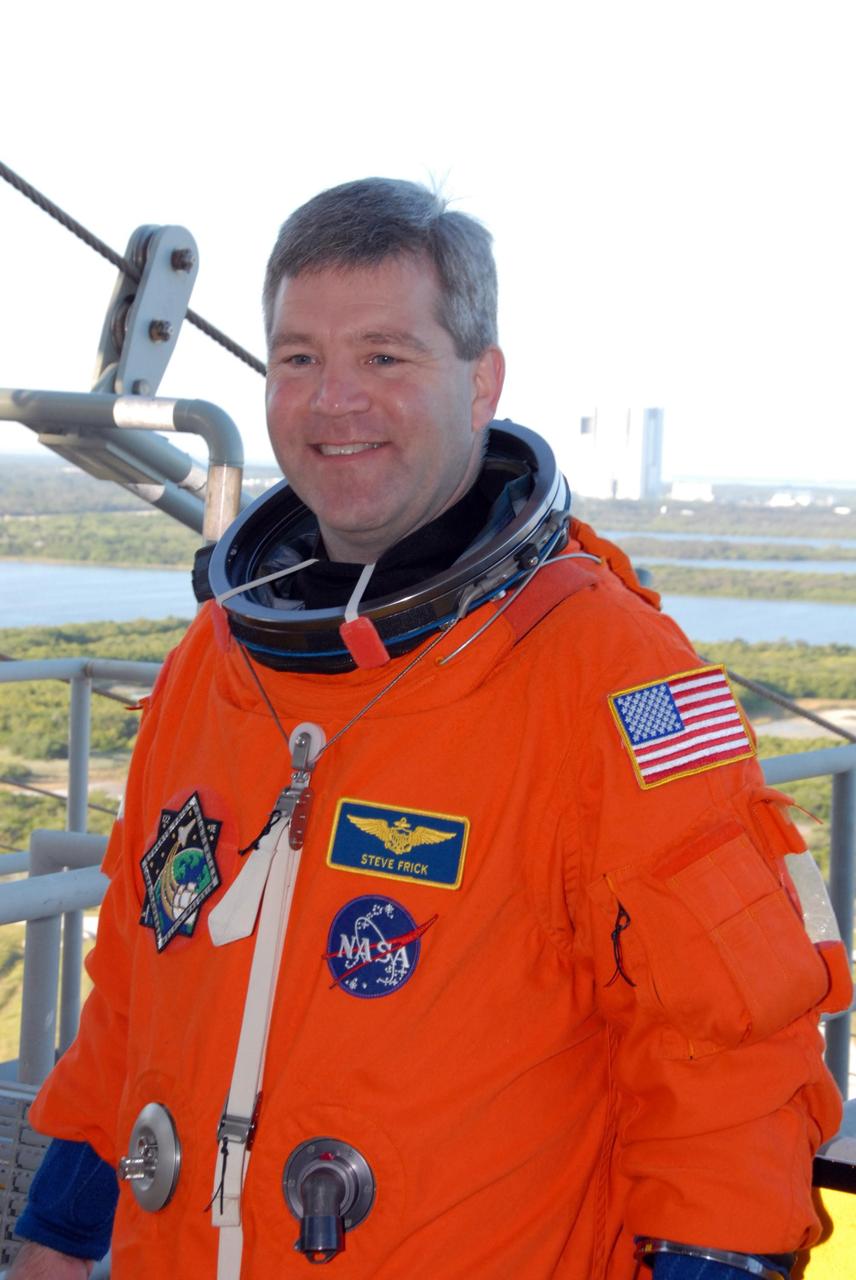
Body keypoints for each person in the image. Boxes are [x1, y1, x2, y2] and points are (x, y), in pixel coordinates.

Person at [10, 178, 847, 1280]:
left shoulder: (612, 670)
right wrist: (59, 1243)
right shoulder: (212, 665)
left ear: (482, 380)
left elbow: (724, 1056)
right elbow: (135, 990)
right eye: (297, 357)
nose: (332, 401)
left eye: (385, 356)